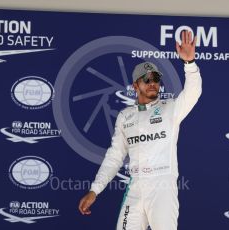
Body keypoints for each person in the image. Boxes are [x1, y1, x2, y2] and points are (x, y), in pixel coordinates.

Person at [78, 30, 202, 230]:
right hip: (135, 187)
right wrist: (95, 190)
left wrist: (189, 63)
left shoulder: (171, 108)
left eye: (156, 79)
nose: (153, 84)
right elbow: (115, 156)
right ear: (135, 85)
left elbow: (193, 92)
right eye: (147, 80)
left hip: (162, 188)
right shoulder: (125, 116)